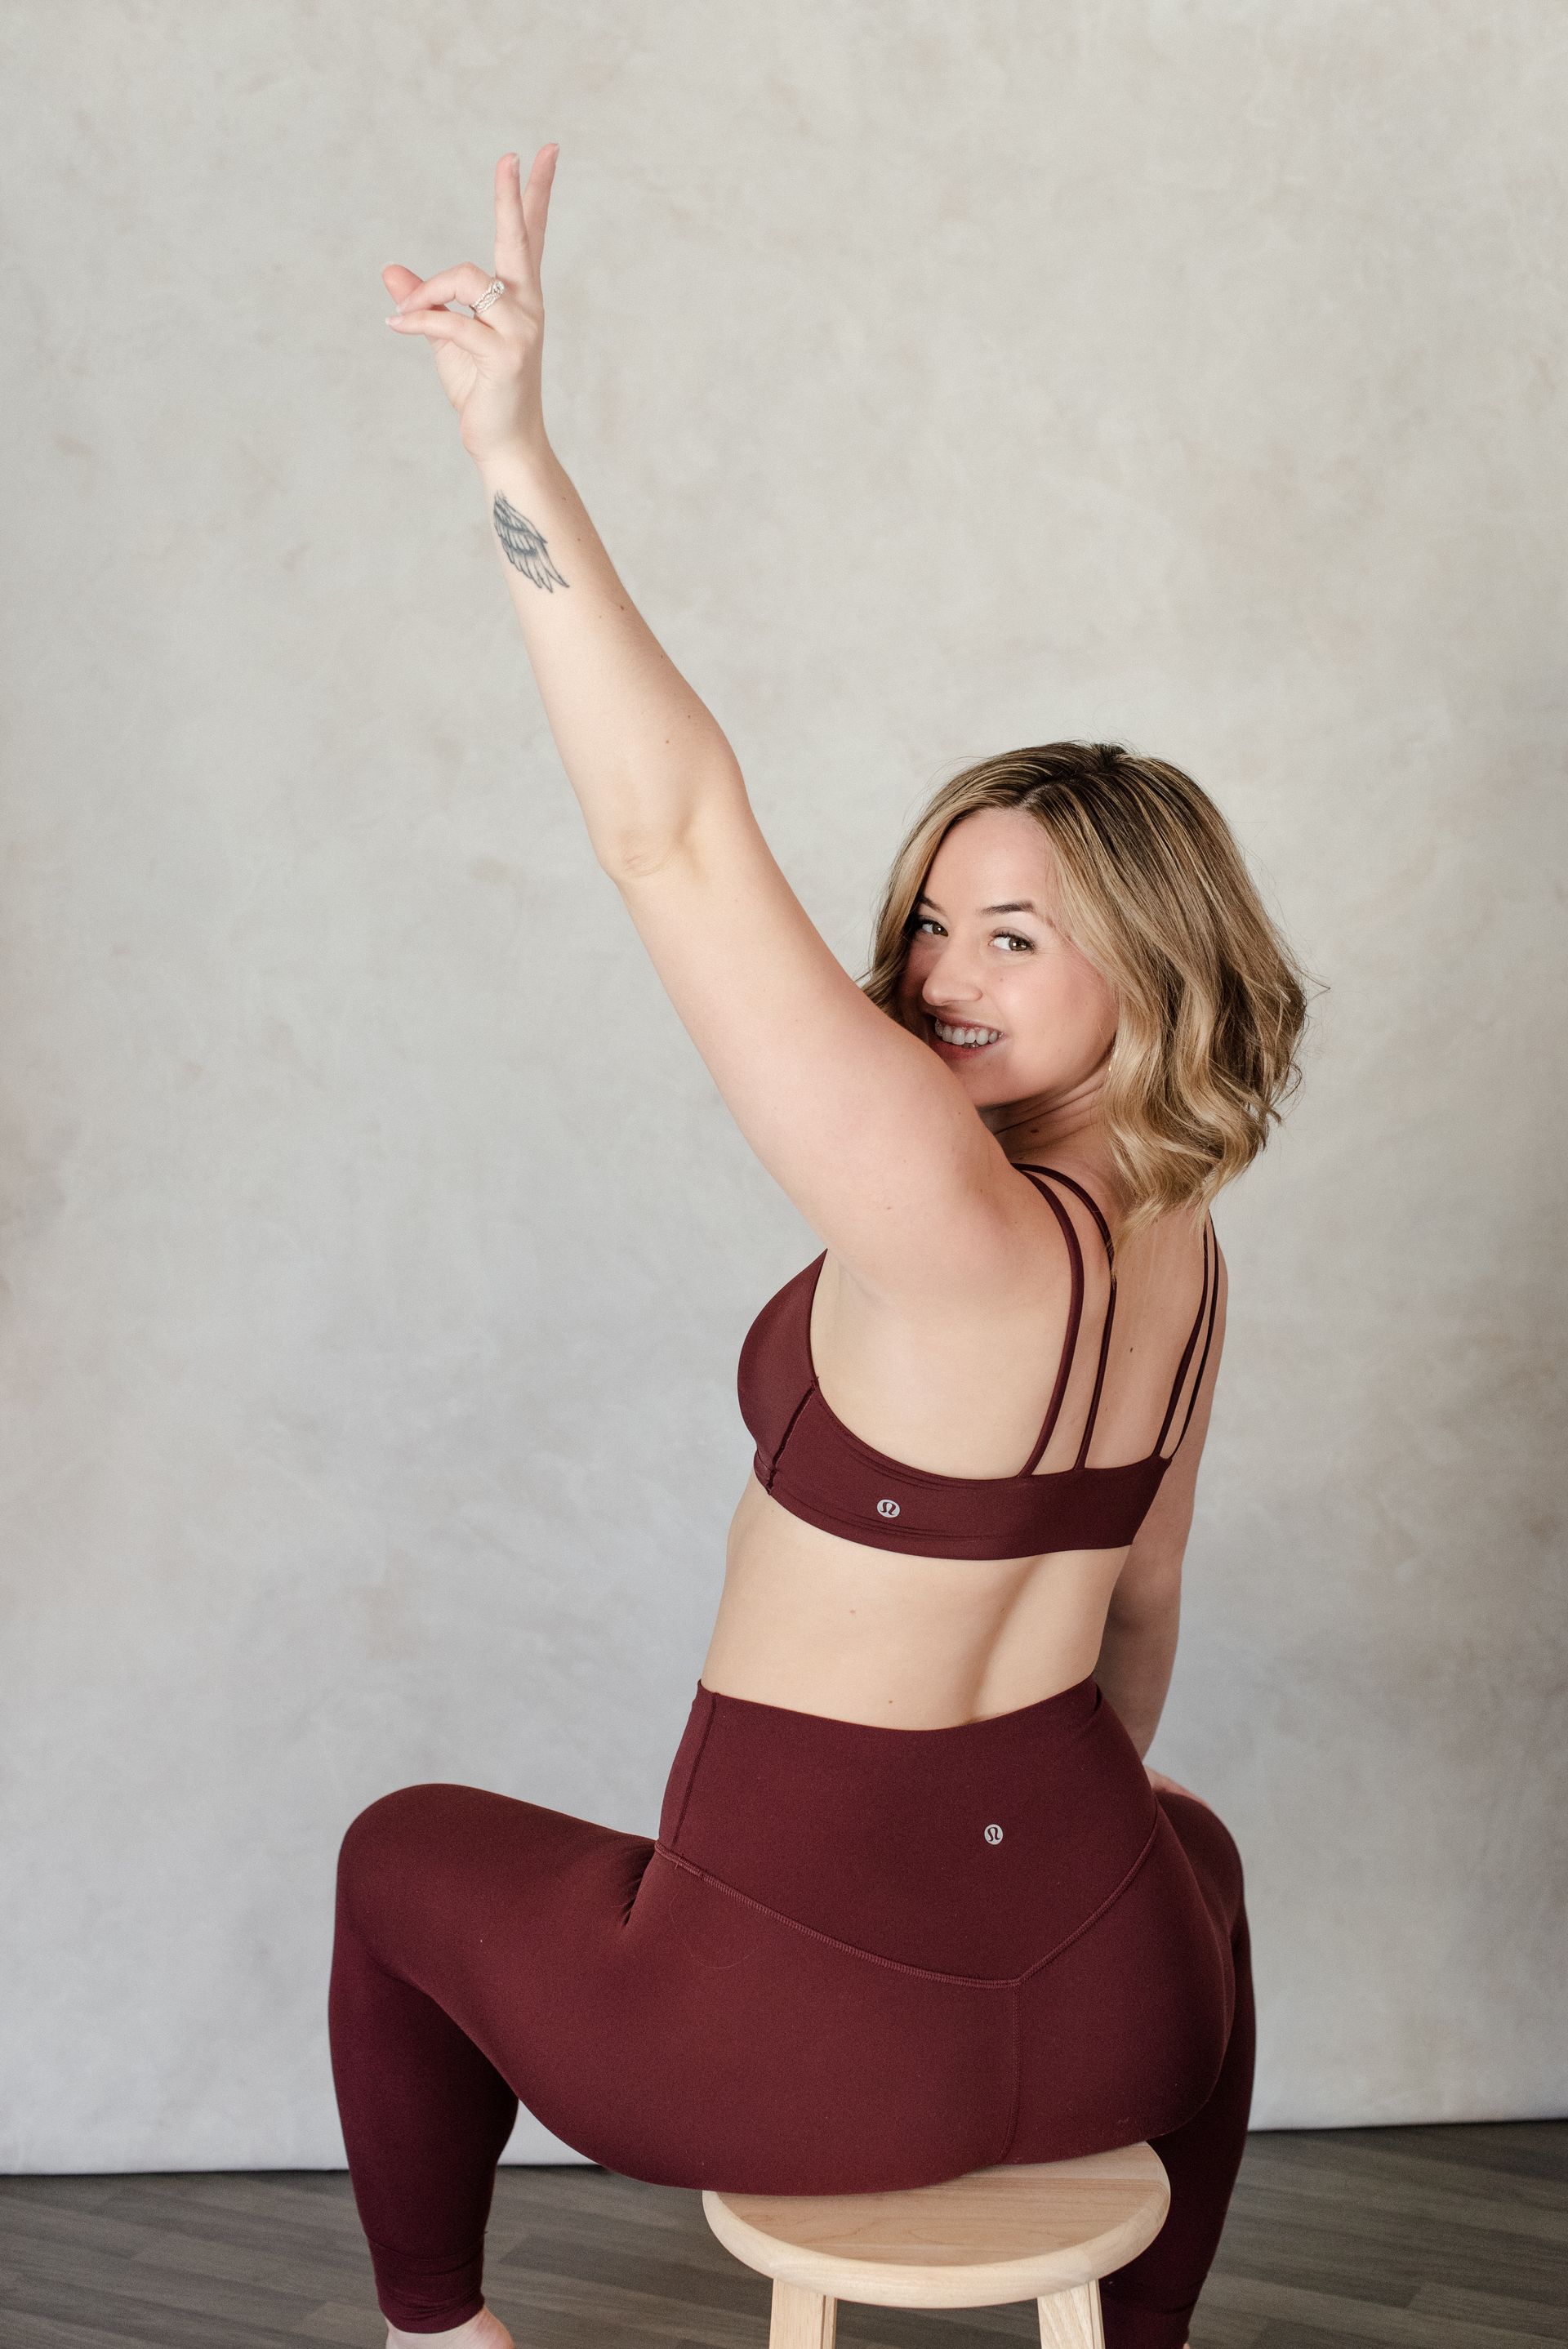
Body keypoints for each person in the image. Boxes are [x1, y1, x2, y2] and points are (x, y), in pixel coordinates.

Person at [332, 148, 1311, 2349]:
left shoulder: (946, 1209)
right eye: (934, 918)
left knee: (400, 1849)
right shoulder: (1188, 1252)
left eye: (1020, 934)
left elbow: (669, 830)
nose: (944, 972)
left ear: (1151, 975)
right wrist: (1010, 1928)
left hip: (788, 2042)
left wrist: (515, 451)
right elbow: (1136, 1619)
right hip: (1113, 2016)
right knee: (1198, 1855)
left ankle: (435, 2336)